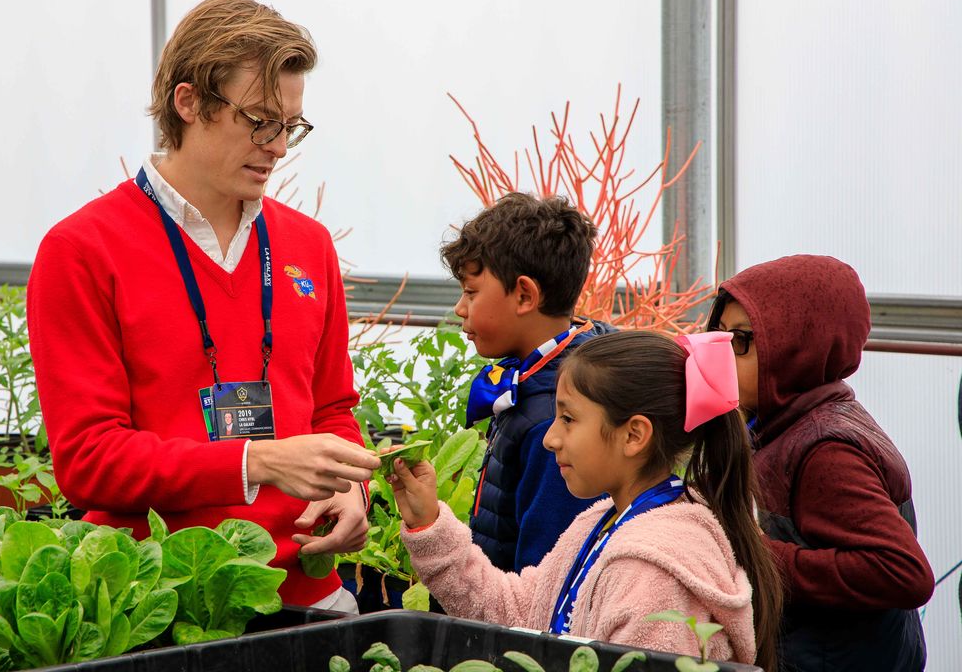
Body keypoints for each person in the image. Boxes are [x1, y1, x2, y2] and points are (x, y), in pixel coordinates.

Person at [26, 0, 380, 610]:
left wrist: (352, 490)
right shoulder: (82, 250)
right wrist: (257, 462)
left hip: (302, 590)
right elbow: (88, 459)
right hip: (151, 603)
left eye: (291, 126)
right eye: (260, 120)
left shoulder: (307, 245)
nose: (278, 146)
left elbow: (333, 408)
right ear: (188, 103)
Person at [389, 331, 783, 669]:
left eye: (568, 418)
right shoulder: (604, 520)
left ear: (634, 435)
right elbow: (520, 612)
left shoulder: (651, 574)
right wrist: (429, 524)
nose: (550, 438)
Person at [708, 254, 934, 671]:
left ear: (797, 344)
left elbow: (902, 572)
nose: (721, 355)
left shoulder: (825, 451)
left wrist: (752, 553)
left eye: (740, 340)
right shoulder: (785, 419)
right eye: (718, 336)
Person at [442, 192, 613, 571]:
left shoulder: (555, 420)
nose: (460, 308)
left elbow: (546, 573)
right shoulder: (540, 379)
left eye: (471, 292)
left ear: (524, 296)